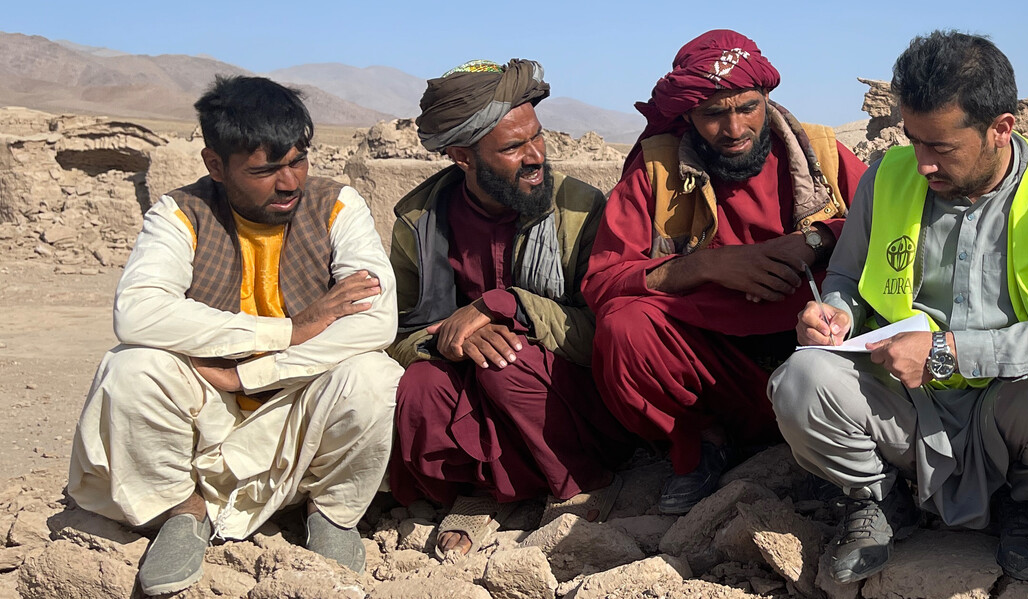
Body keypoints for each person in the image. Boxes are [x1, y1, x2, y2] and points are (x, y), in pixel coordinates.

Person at [768, 30, 1028, 584]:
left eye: (942, 148)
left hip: (1008, 403)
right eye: (915, 141)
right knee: (801, 380)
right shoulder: (889, 173)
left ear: (1001, 129)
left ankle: (1024, 506)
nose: (923, 164)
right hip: (899, 400)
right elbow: (847, 275)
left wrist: (946, 354)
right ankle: (878, 499)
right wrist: (835, 312)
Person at [67, 76, 400, 594]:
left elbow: (376, 320)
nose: (289, 183)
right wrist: (292, 328)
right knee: (131, 367)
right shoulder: (180, 214)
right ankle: (184, 509)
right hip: (209, 413)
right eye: (266, 170)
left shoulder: (338, 205)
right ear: (216, 165)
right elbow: (137, 314)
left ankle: (332, 513)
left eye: (298, 161)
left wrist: (252, 371)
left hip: (297, 399)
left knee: (375, 375)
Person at [584, 29, 864, 514]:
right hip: (716, 369)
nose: (734, 129)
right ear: (688, 115)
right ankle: (704, 445)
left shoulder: (820, 152)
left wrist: (814, 242)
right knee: (623, 328)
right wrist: (708, 264)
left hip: (815, 356)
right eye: (714, 113)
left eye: (747, 108)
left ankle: (833, 445)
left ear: (767, 98)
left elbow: (885, 231)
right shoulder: (656, 171)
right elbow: (604, 281)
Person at [385, 59, 633, 557]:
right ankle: (492, 491)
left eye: (537, 138)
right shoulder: (420, 222)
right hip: (469, 378)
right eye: (514, 147)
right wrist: (449, 339)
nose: (536, 156)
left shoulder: (579, 209)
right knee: (420, 386)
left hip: (570, 389)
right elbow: (398, 334)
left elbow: (603, 330)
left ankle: (579, 481)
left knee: (508, 361)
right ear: (462, 156)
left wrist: (511, 305)